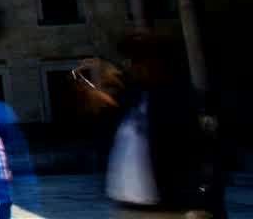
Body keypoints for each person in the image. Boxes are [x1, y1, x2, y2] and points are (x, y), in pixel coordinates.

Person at [75, 32, 225, 217]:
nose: (133, 66)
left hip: (169, 210)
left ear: (161, 62)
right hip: (129, 208)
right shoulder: (135, 98)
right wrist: (94, 82)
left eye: (140, 59)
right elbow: (104, 113)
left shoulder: (182, 100)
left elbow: (207, 157)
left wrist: (205, 205)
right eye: (133, 60)